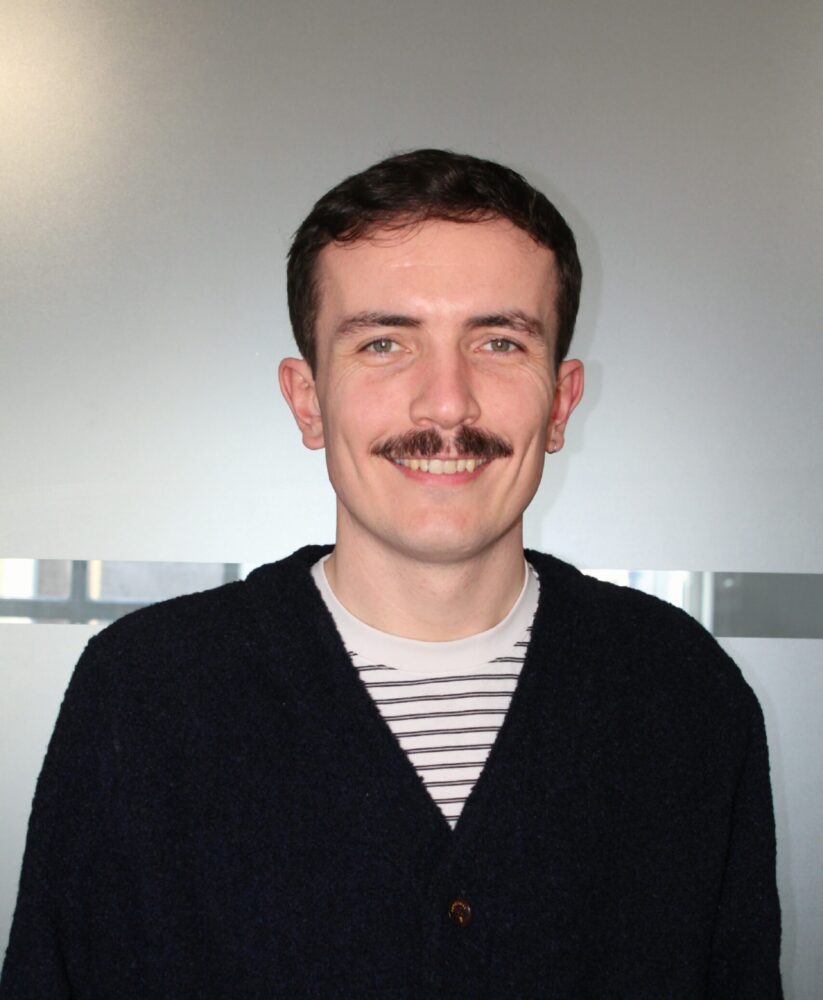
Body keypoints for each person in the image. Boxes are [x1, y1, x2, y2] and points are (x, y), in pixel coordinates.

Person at [1, 149, 782, 998]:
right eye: (383, 343)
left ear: (560, 403)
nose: (445, 403)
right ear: (308, 401)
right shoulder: (146, 695)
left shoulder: (685, 694)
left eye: (498, 342)